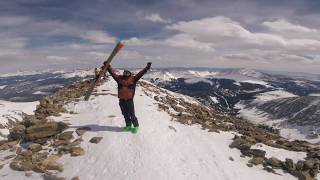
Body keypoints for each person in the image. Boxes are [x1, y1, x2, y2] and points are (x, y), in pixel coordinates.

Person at [107, 62, 152, 133]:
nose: (126, 73)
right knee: (125, 114)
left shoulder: (133, 79)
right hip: (122, 100)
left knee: (132, 115)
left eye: (127, 72)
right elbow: (113, 74)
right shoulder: (119, 78)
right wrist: (108, 67)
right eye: (125, 72)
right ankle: (128, 125)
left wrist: (146, 68)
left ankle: (136, 126)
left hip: (129, 100)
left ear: (130, 73)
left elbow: (140, 74)